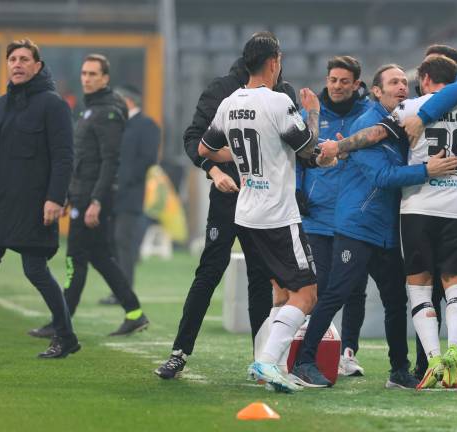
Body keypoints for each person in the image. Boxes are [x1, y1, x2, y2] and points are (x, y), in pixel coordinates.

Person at [289, 64, 457, 389]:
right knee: (334, 295)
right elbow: (382, 178)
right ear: (376, 92)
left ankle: (399, 371)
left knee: (395, 300)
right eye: (393, 82)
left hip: (384, 230)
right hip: (358, 226)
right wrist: (429, 170)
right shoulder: (367, 124)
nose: (402, 87)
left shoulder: (400, 124)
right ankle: (304, 362)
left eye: (404, 82)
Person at [154, 32, 296, 380]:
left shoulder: (283, 93)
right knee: (210, 270)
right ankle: (179, 352)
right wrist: (215, 171)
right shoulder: (222, 90)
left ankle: (262, 361)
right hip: (230, 195)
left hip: (267, 201)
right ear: (269, 61)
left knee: (262, 277)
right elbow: (194, 139)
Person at [198, 34, 327, 393]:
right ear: (274, 62)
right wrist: (313, 114)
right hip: (277, 213)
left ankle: (271, 366)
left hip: (246, 212)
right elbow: (307, 148)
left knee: (282, 293)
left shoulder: (229, 103)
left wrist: (239, 158)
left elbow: (205, 148)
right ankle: (267, 362)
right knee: (307, 294)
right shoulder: (278, 102)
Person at [0, 39, 80, 359]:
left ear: (37, 66)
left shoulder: (54, 105)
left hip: (34, 203)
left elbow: (63, 157)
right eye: (12, 59)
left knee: (35, 269)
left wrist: (55, 198)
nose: (17, 64)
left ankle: (66, 336)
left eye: (24, 59)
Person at [28, 54, 148, 338]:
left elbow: (110, 161)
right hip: (83, 195)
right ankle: (134, 313)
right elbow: (82, 159)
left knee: (75, 259)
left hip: (92, 198)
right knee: (100, 257)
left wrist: (95, 200)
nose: (86, 78)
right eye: (84, 73)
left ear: (105, 79)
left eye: (93, 74)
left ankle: (62, 322)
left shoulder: (107, 111)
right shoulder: (90, 109)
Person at [393, 56, 457, 389]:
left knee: (419, 288)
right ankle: (454, 352)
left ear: (424, 78)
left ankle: (433, 359)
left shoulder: (409, 108)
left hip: (418, 208)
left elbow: (384, 132)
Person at [295, 55, 372, 377]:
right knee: (321, 286)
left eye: (344, 81)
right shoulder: (310, 114)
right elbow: (297, 156)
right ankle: (311, 350)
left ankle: (348, 353)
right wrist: (298, 190)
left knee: (355, 288)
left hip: (353, 215)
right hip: (317, 214)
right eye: (332, 80)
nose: (337, 86)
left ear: (356, 84)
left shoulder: (368, 116)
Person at [98, 85, 160, 305]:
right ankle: (117, 290)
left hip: (130, 195)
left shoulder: (147, 125)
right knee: (111, 243)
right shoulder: (117, 124)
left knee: (123, 243)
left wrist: (125, 180)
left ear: (129, 101)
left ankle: (124, 293)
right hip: (110, 195)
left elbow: (148, 158)